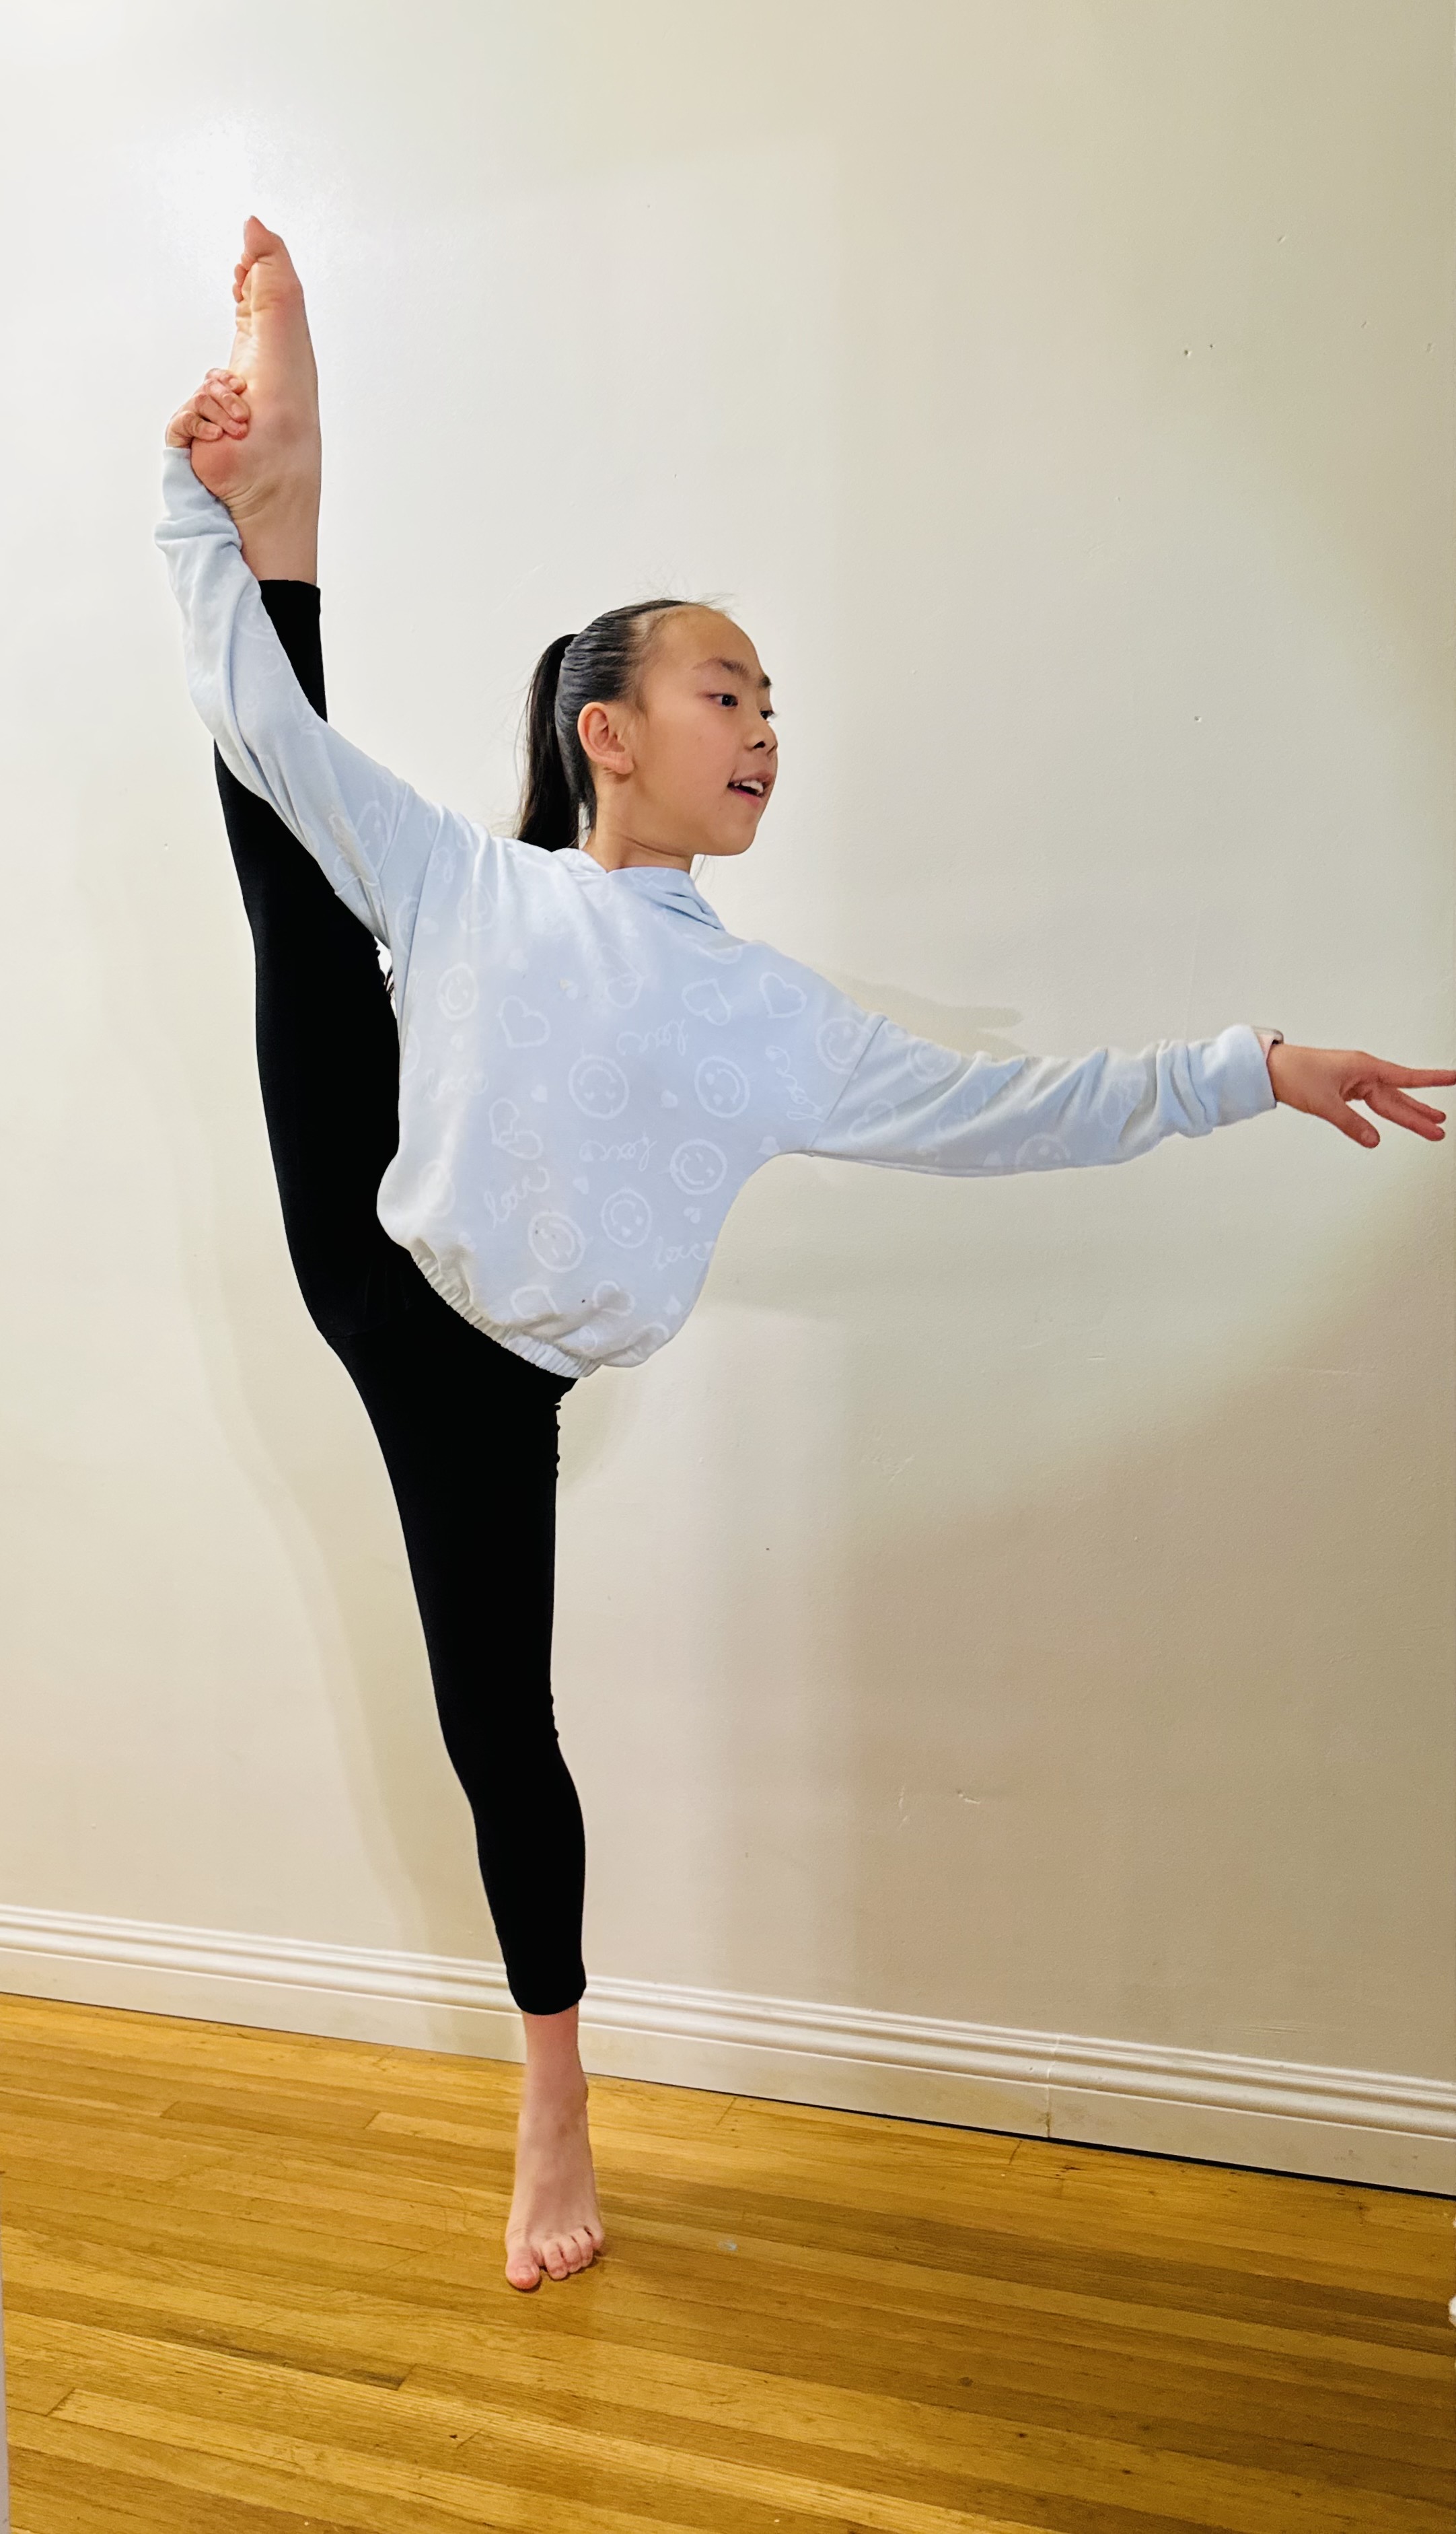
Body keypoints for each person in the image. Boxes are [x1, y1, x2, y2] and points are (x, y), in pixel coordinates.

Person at [159, 217, 1452, 2295]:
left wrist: (1250, 1068)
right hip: (372, 1233)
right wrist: (195, 516)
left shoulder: (767, 1021)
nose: (766, 725)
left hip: (491, 1380)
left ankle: (554, 2092)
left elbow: (1011, 1111)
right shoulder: (487, 891)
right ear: (606, 729)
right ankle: (285, 505)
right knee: (292, 854)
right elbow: (261, 735)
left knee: (498, 1723)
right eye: (726, 690)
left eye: (774, 701)